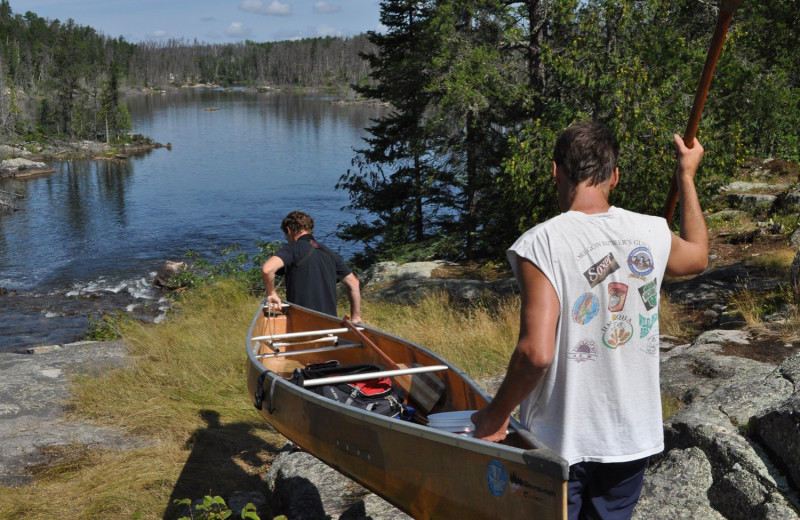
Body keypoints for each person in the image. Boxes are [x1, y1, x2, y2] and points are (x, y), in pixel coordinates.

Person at [471, 121, 708, 519]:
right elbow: (699, 256)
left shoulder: (541, 242)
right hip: (631, 438)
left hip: (558, 441)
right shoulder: (651, 231)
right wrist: (687, 175)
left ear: (555, 171)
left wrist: (495, 417)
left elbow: (536, 354)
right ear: (614, 176)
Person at [261, 210, 362, 322]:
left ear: (289, 230)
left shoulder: (293, 248)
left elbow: (267, 269)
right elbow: (354, 283)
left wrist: (271, 293)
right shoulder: (330, 254)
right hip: (330, 324)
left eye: (286, 235)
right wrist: (356, 316)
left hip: (303, 322)